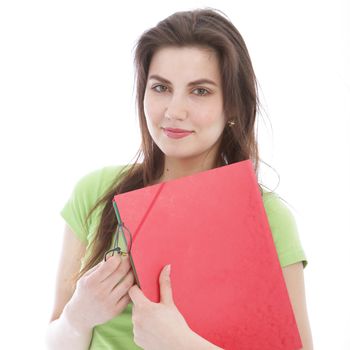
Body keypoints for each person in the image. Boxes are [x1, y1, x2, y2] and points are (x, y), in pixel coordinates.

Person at [45, 8, 313, 350]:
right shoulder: (95, 191)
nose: (174, 110)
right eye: (161, 87)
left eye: (199, 91)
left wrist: (182, 344)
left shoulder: (266, 215)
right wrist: (76, 318)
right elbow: (54, 339)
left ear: (232, 105)